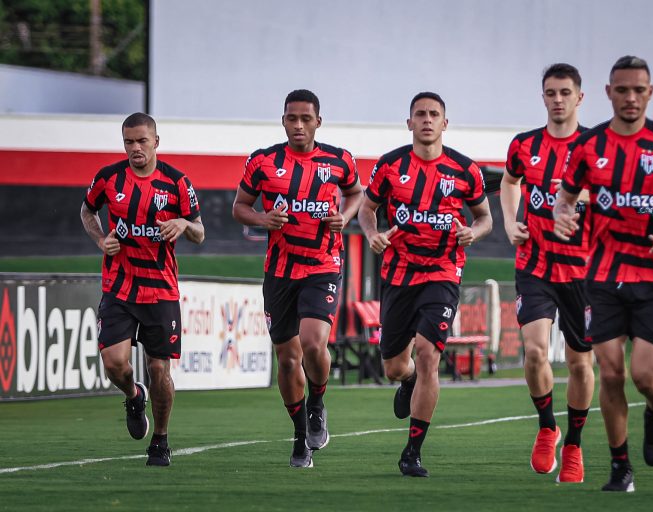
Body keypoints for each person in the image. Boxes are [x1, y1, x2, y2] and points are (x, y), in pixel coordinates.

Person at [554, 56, 653, 492]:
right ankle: (620, 467)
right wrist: (562, 217)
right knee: (609, 373)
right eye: (621, 89)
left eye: (638, 90)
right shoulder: (589, 148)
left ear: (650, 92)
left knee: (645, 375)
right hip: (603, 275)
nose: (630, 97)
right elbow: (564, 198)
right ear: (608, 92)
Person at [358, 92, 493, 477]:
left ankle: (412, 451)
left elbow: (485, 218)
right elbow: (367, 209)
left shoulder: (464, 170)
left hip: (443, 273)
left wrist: (473, 232)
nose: (428, 120)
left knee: (429, 352)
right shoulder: (390, 166)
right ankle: (409, 379)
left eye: (435, 114)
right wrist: (373, 234)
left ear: (445, 123)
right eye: (421, 114)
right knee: (395, 366)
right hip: (399, 275)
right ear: (410, 122)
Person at [232, 89, 363, 468]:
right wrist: (263, 220)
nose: (299, 125)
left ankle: (318, 402)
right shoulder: (262, 162)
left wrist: (347, 215)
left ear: (318, 121)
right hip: (279, 272)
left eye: (306, 118)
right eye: (292, 118)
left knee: (311, 341)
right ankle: (299, 435)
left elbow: (357, 193)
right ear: (284, 120)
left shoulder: (339, 160)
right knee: (287, 362)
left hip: (323, 266)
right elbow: (241, 206)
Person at [80, 112, 205, 467]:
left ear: (156, 142)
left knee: (159, 370)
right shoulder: (108, 178)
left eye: (141, 141)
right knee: (115, 364)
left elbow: (200, 232)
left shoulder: (177, 183)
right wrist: (100, 239)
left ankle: (161, 440)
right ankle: (134, 397)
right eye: (128, 142)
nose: (135, 148)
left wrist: (183, 223)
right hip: (119, 288)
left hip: (161, 292)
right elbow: (87, 213)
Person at [500, 63, 594, 483]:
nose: (558, 99)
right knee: (535, 350)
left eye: (565, 92)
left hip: (584, 271)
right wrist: (509, 220)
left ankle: (573, 443)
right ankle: (546, 427)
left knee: (579, 361)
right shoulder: (524, 144)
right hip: (535, 264)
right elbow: (509, 181)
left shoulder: (596, 146)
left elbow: (612, 195)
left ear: (580, 97)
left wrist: (581, 204)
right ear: (543, 97)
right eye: (551, 92)